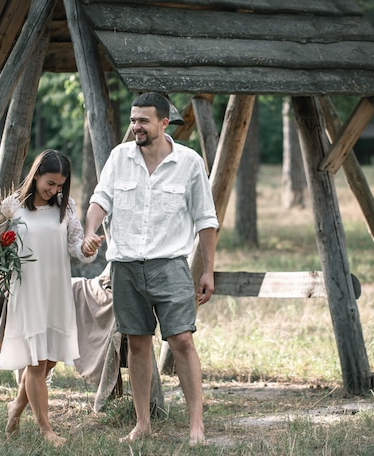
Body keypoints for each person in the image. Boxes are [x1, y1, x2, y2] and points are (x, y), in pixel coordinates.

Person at [81, 92, 219, 446]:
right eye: (132, 120)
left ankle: (196, 426)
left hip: (171, 265)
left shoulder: (189, 163)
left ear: (163, 122)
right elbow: (100, 200)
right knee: (138, 343)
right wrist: (90, 230)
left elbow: (206, 219)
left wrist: (207, 271)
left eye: (143, 120)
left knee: (182, 341)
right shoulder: (119, 157)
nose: (135, 126)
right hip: (125, 266)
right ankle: (142, 424)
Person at [0, 149, 98, 446]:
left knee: (50, 356)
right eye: (50, 183)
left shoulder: (65, 208)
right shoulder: (12, 207)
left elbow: (76, 247)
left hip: (56, 291)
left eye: (60, 185)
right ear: (36, 174)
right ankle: (46, 430)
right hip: (27, 291)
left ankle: (16, 407)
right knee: (37, 363)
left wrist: (87, 248)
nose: (54, 190)